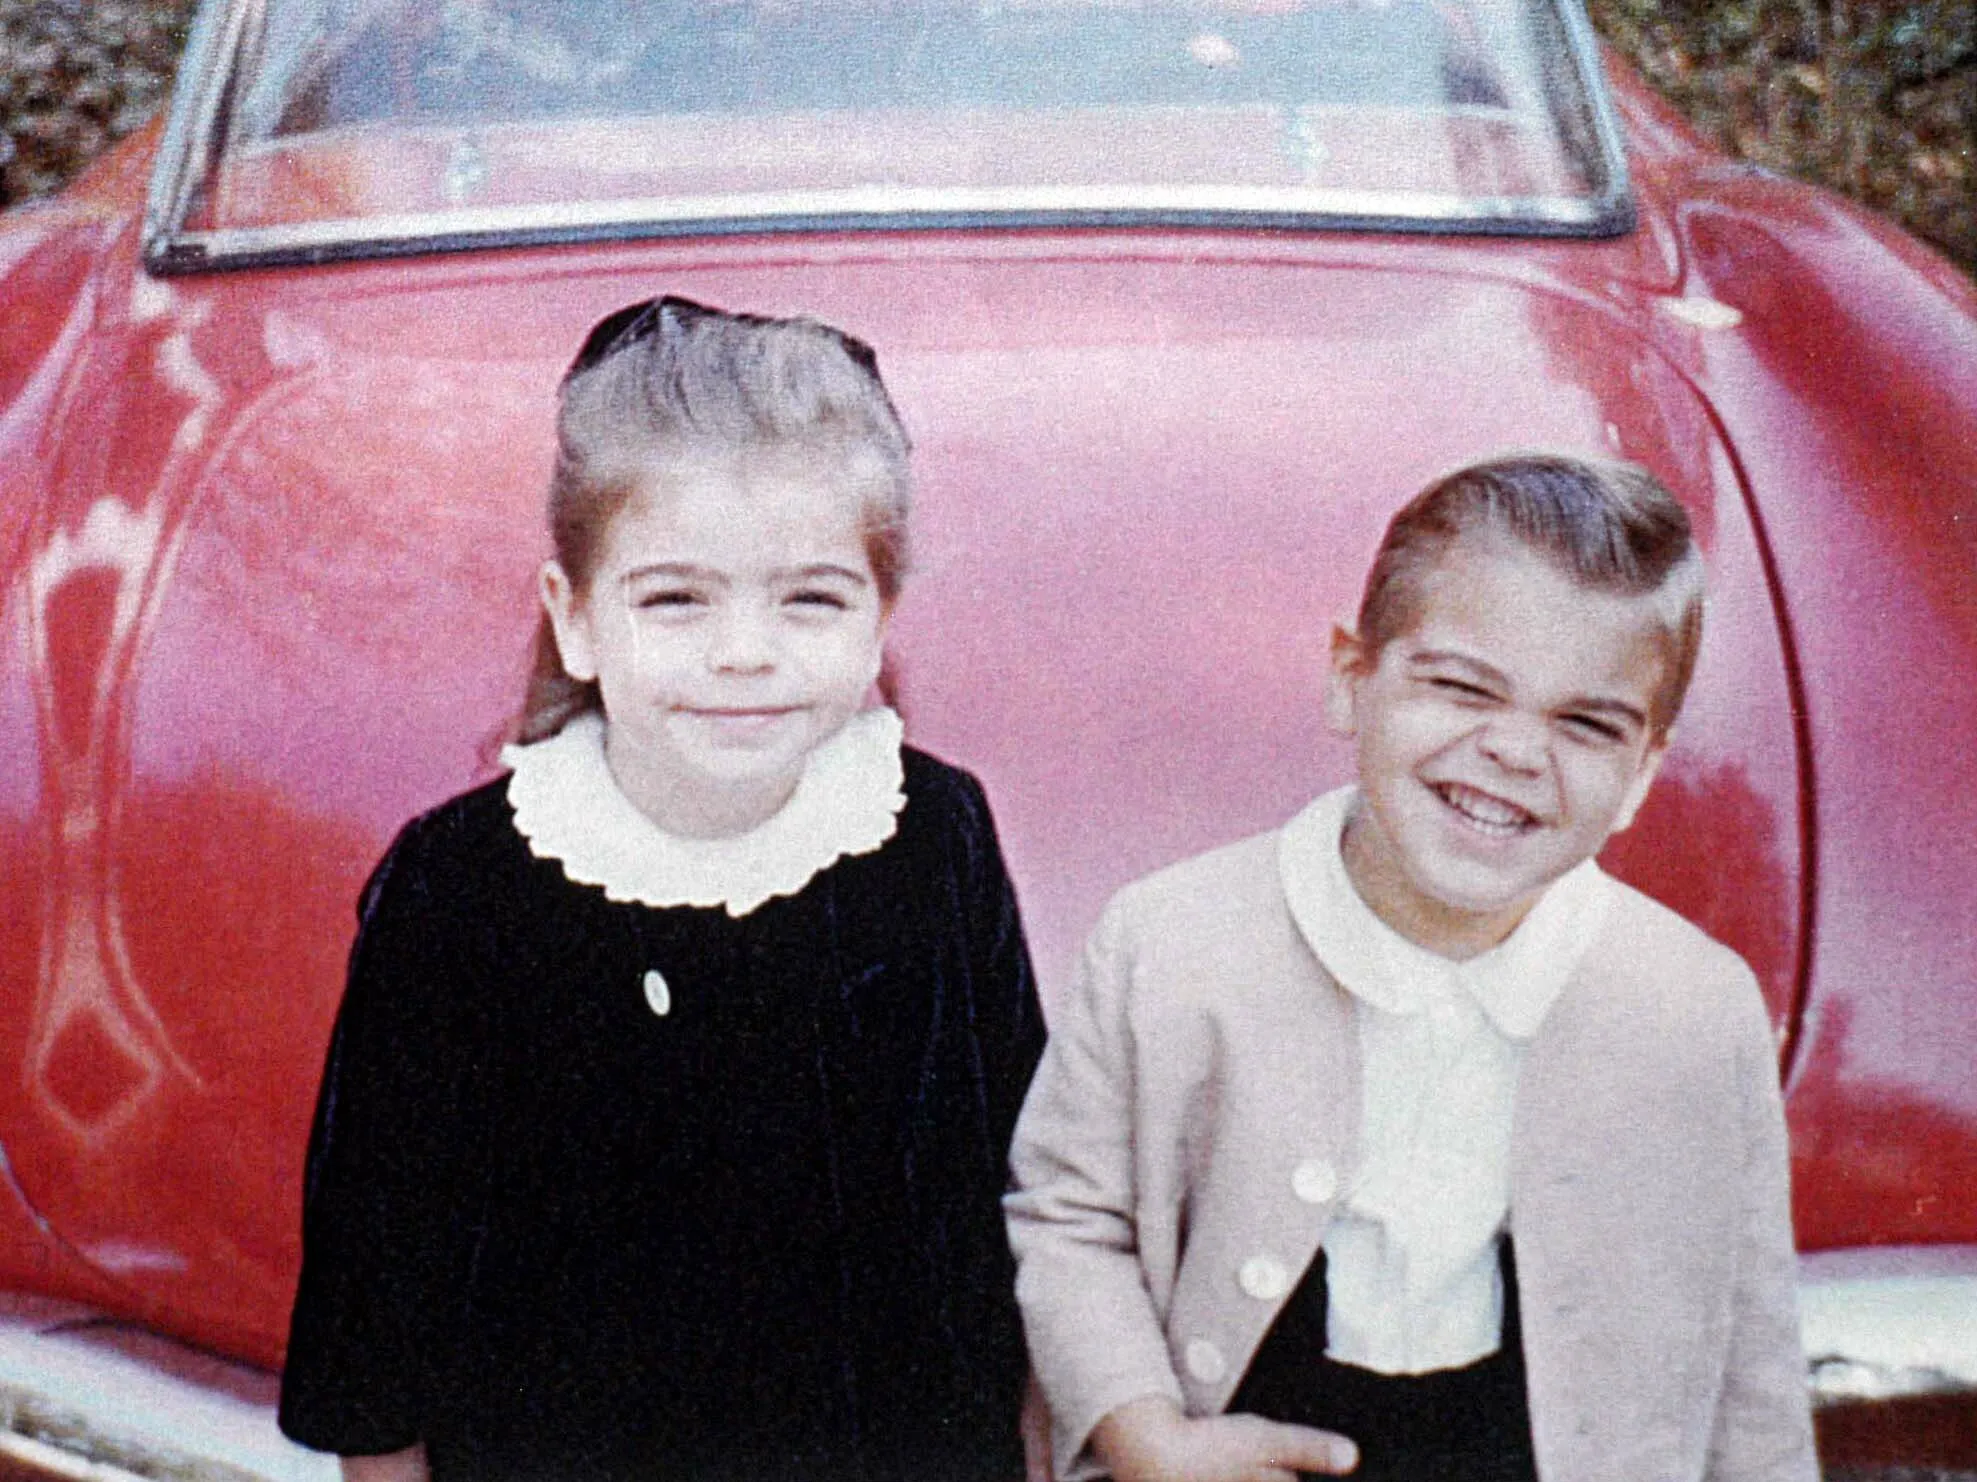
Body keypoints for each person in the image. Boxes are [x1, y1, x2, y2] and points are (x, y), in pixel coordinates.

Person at [278, 296, 1043, 1482]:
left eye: (812, 598)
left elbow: (1009, 1205)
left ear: (882, 617)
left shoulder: (935, 836)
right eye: (676, 598)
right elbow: (374, 1310)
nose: (745, 650)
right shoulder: (459, 894)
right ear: (574, 618)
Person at [1005, 454, 1816, 1482]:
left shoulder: (1695, 1009)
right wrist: (1142, 1431)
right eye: (1462, 687)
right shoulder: (1169, 941)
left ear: (1642, 773)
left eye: (1586, 723)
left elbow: (1750, 1347)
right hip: (1243, 1433)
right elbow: (1070, 1217)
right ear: (1353, 680)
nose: (1516, 752)